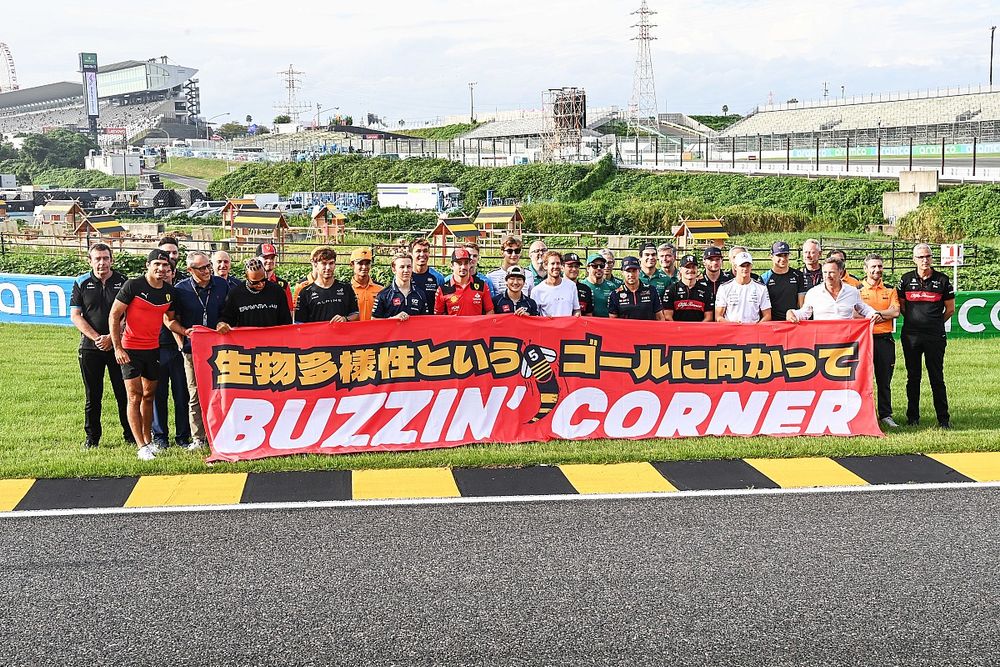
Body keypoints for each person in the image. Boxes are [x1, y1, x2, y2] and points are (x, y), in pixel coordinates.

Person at [109, 249, 192, 460]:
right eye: (157, 264)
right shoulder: (133, 285)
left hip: (153, 349)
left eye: (165, 266)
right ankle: (141, 447)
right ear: (148, 265)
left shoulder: (169, 292)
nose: (161, 269)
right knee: (134, 395)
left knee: (149, 395)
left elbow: (169, 320)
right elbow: (114, 315)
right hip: (130, 349)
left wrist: (185, 332)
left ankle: (148, 440)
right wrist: (118, 348)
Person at [70, 243, 133, 449]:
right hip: (90, 348)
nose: (102, 263)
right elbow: (76, 316)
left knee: (123, 393)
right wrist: (98, 338)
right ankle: (92, 438)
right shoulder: (81, 282)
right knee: (93, 395)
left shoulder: (123, 281)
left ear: (111, 260)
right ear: (90, 261)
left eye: (106, 258)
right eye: (97, 258)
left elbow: (127, 315)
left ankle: (130, 435)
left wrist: (111, 338)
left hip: (118, 347)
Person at [174, 250, 230, 450]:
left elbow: (229, 311)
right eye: (202, 268)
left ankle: (222, 432)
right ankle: (198, 437)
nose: (207, 271)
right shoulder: (180, 289)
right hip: (193, 350)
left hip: (220, 349)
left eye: (208, 266)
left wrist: (223, 321)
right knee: (195, 393)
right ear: (190, 270)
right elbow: (170, 320)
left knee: (222, 391)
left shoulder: (221, 284)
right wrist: (183, 335)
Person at [898, 243, 955, 429]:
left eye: (928, 256)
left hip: (934, 336)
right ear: (914, 259)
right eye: (921, 257)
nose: (925, 260)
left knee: (936, 377)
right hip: (911, 336)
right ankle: (912, 418)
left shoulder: (943, 280)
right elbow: (902, 307)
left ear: (932, 258)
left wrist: (934, 322)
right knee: (913, 377)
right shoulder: (905, 279)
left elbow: (950, 309)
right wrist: (916, 321)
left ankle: (943, 420)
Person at [151, 259, 190, 451]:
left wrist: (182, 345)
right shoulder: (148, 292)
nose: (164, 273)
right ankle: (160, 437)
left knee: (181, 394)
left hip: (177, 349)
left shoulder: (179, 294)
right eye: (161, 269)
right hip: (155, 348)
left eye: (168, 270)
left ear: (173, 273)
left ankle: (183, 436)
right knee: (158, 395)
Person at [860, 253, 902, 428]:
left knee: (884, 380)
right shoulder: (857, 290)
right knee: (863, 380)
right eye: (873, 266)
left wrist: (875, 315)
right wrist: (883, 315)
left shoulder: (890, 289)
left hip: (884, 339)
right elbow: (855, 314)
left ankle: (885, 414)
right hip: (864, 340)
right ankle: (865, 414)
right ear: (865, 269)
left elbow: (895, 312)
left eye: (880, 266)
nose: (877, 269)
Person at [787, 257, 880, 323]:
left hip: (847, 340)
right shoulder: (813, 293)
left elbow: (864, 309)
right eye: (825, 272)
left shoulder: (852, 292)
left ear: (840, 273)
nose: (827, 276)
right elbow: (804, 313)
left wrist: (873, 314)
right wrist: (792, 313)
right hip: (823, 340)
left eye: (831, 272)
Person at [218, 258, 293, 331]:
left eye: (263, 280)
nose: (260, 284)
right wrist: (222, 324)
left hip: (273, 337)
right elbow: (227, 318)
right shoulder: (236, 294)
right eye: (255, 282)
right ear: (246, 277)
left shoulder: (277, 291)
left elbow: (286, 321)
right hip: (247, 338)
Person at [295, 247, 360, 323]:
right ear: (315, 265)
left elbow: (356, 315)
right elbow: (299, 323)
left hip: (341, 331)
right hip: (317, 331)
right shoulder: (305, 292)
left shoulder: (346, 288)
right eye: (324, 263)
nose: (328, 267)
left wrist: (345, 319)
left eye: (331, 263)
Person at [435, 248, 494, 316]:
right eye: (459, 263)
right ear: (452, 266)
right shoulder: (443, 289)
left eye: (466, 263)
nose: (463, 267)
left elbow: (490, 311)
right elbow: (438, 317)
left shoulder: (482, 285)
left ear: (469, 265)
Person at [715, 252, 771, 323]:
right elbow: (718, 316)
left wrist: (757, 327)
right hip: (731, 328)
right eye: (742, 266)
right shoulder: (724, 288)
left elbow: (767, 315)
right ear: (735, 267)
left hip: (753, 328)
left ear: (751, 266)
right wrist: (732, 325)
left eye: (748, 265)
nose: (745, 268)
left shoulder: (761, 288)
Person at [761, 240, 807, 322]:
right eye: (779, 255)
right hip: (773, 323)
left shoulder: (798, 275)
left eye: (785, 255)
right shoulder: (764, 278)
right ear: (771, 256)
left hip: (793, 321)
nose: (783, 259)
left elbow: (801, 305)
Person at [373, 252, 429, 320]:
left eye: (409, 267)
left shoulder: (420, 294)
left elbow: (425, 321)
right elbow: (374, 320)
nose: (406, 270)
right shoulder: (384, 295)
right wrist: (393, 319)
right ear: (394, 269)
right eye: (402, 267)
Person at [608, 256, 665, 321]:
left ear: (639, 271)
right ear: (622, 272)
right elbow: (613, 321)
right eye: (628, 271)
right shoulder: (615, 294)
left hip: (648, 327)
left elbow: (660, 317)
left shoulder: (652, 290)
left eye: (634, 271)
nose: (631, 275)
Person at [664, 254, 713, 322]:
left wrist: (698, 328)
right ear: (680, 269)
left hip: (699, 328)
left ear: (697, 269)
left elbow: (709, 317)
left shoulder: (706, 290)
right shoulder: (671, 289)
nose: (690, 270)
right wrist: (678, 328)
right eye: (687, 267)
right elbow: (667, 316)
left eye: (693, 267)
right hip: (677, 328)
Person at [532, 251, 581, 317]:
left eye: (558, 263)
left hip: (567, 323)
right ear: (545, 266)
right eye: (552, 263)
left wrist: (577, 315)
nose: (555, 266)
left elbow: (576, 309)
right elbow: (534, 316)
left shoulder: (571, 286)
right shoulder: (537, 291)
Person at [256, 242, 294, 313]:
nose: (269, 261)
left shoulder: (283, 285)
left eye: (272, 258)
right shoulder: (251, 284)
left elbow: (290, 311)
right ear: (257, 259)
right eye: (265, 257)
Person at [350, 247, 382, 322]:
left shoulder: (380, 289)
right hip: (354, 329)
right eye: (360, 263)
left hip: (375, 329)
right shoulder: (346, 290)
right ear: (352, 265)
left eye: (367, 263)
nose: (364, 267)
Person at [410, 238, 445, 304]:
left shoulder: (438, 278)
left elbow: (443, 303)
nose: (422, 254)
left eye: (425, 251)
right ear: (411, 254)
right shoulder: (405, 276)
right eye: (418, 251)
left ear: (429, 253)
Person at [581, 253, 614, 318]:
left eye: (602, 266)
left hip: (606, 322)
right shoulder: (582, 286)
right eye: (595, 266)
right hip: (588, 322)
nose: (599, 268)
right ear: (588, 268)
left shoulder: (612, 286)